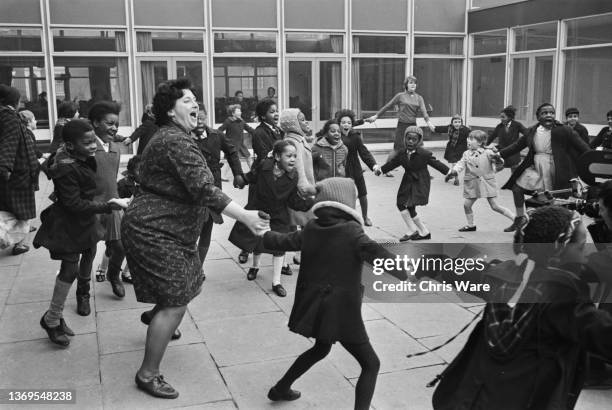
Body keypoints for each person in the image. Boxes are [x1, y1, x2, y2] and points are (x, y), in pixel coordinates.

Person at [121, 78, 269, 399]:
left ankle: (157, 315)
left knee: (186, 283)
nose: (195, 105)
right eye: (187, 100)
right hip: (155, 231)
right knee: (176, 301)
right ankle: (148, 374)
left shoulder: (175, 137)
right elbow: (203, 187)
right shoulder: (175, 140)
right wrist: (245, 215)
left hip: (167, 229)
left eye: (195, 100)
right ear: (170, 112)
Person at [416, 205, 612, 410]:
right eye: (580, 247)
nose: (585, 255)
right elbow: (601, 332)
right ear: (557, 254)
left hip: (471, 399)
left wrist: (429, 265)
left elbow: (459, 270)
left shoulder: (499, 276)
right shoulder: (564, 300)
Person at [262, 177, 407, 409]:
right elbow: (385, 259)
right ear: (347, 203)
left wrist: (264, 232)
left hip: (318, 307)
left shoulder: (311, 227)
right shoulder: (352, 231)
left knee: (321, 348)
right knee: (371, 364)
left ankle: (280, 389)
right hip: (342, 312)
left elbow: (282, 241)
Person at [34, 119, 128, 347]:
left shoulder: (77, 157)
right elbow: (73, 204)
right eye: (87, 143)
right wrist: (108, 206)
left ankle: (55, 316)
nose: (92, 146)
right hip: (68, 225)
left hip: (82, 222)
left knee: (79, 263)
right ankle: (52, 319)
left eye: (92, 140)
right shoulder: (66, 167)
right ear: (71, 145)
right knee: (69, 270)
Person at [231, 140, 313, 297]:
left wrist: (309, 203)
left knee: (279, 248)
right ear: (276, 156)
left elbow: (293, 200)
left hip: (279, 215)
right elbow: (251, 176)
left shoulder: (293, 176)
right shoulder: (264, 166)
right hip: (260, 210)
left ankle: (276, 282)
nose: (293, 159)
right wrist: (242, 180)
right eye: (288, 156)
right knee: (257, 241)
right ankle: (255, 267)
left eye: (295, 156)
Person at [498, 103, 590, 232]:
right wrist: (498, 154)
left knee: (553, 200)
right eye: (544, 113)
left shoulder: (565, 130)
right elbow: (517, 146)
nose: (549, 115)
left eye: (551, 113)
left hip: (556, 169)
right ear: (538, 116)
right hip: (536, 166)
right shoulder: (532, 130)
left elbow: (583, 148)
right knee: (517, 188)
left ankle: (560, 228)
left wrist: (594, 161)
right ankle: (520, 219)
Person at [76, 101, 125, 316]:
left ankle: (114, 275)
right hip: (91, 207)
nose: (114, 128)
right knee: (89, 252)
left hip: (112, 205)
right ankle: (83, 293)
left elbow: (111, 178)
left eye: (116, 124)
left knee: (121, 246)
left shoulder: (115, 147)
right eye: (109, 123)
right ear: (95, 123)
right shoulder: (86, 148)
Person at [192, 104, 244, 272]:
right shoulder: (183, 138)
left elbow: (232, 152)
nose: (199, 121)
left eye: (202, 117)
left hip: (213, 186)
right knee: (191, 228)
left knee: (207, 227)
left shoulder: (216, 135)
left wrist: (238, 173)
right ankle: (187, 267)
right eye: (195, 117)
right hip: (192, 189)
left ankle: (198, 269)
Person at [379, 126, 449, 241]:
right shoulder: (402, 153)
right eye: (408, 138)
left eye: (414, 139)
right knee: (401, 203)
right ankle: (422, 231)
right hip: (407, 180)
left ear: (419, 141)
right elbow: (393, 163)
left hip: (420, 181)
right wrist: (381, 170)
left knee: (410, 206)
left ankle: (415, 231)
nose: (410, 141)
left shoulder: (424, 154)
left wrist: (449, 172)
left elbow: (436, 163)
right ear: (404, 139)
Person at [238, 99, 283, 265]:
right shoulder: (259, 133)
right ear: (263, 116)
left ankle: (278, 256)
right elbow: (265, 156)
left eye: (276, 110)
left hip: (274, 176)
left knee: (273, 214)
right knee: (254, 211)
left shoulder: (278, 130)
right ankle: (245, 248)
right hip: (261, 177)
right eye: (272, 111)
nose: (276, 114)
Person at [365, 75, 436, 175]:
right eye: (411, 82)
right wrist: (376, 116)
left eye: (414, 83)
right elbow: (387, 106)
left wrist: (429, 123)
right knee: (397, 150)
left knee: (420, 149)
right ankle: (385, 170)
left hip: (413, 126)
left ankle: (424, 172)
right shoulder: (400, 96)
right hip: (402, 125)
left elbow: (424, 112)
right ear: (406, 85)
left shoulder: (419, 98)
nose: (413, 84)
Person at [445, 130, 515, 232]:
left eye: (471, 139)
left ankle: (516, 219)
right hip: (473, 184)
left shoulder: (488, 152)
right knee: (466, 205)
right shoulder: (466, 153)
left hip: (487, 183)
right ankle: (471, 225)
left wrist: (498, 160)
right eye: (468, 138)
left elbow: (500, 163)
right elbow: (460, 164)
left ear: (480, 142)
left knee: (495, 206)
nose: (468, 140)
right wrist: (454, 171)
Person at [0, 85, 40, 256]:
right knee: (19, 211)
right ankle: (18, 243)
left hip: (15, 173)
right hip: (18, 174)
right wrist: (4, 167)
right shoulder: (8, 117)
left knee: (15, 210)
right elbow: (9, 143)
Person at [336, 109, 379, 226]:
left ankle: (365, 217)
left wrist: (374, 165)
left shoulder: (355, 136)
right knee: (346, 194)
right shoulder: (335, 136)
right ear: (338, 123)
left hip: (355, 166)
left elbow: (364, 153)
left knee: (363, 193)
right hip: (342, 168)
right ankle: (347, 218)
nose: (346, 125)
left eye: (349, 123)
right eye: (343, 122)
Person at [485, 105, 527, 174]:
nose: (501, 119)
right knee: (492, 170)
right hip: (502, 152)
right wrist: (484, 145)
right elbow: (491, 137)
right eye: (500, 117)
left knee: (515, 173)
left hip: (513, 152)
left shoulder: (517, 125)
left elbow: (526, 133)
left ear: (509, 117)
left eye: (503, 117)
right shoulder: (499, 126)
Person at [434, 114, 470, 186]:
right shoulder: (449, 128)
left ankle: (450, 175)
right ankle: (456, 178)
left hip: (461, 149)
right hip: (452, 148)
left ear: (461, 122)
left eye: (459, 122)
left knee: (458, 164)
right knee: (454, 164)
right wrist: (428, 121)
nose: (457, 123)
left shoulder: (465, 129)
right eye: (455, 122)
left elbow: (471, 136)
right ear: (452, 123)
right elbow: (436, 129)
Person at [218, 103, 255, 170]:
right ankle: (223, 175)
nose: (240, 112)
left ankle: (253, 171)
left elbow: (249, 129)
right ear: (233, 113)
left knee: (248, 157)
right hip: (231, 145)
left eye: (240, 111)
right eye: (238, 111)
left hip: (240, 144)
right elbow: (220, 130)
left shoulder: (241, 121)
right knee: (229, 160)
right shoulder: (228, 121)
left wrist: (256, 132)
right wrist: (222, 139)